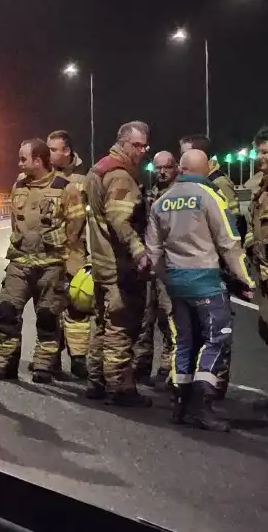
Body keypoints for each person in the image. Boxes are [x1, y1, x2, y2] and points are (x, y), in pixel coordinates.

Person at [146, 149, 254, 431]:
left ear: (181, 169)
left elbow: (153, 252)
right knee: (216, 339)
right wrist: (246, 280)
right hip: (205, 280)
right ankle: (201, 405)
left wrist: (167, 278)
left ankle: (180, 405)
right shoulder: (210, 197)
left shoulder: (161, 202)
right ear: (205, 169)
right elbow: (229, 243)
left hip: (176, 282)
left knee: (184, 341)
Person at [0, 139, 86, 383]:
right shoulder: (18, 185)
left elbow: (76, 224)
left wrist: (61, 249)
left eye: (24, 158)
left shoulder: (65, 188)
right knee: (8, 311)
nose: (19, 163)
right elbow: (15, 221)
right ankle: (6, 363)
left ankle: (44, 366)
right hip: (20, 263)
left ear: (38, 161)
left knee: (47, 317)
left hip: (51, 265)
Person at [85, 121, 152, 406]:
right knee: (120, 327)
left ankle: (96, 380)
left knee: (101, 323)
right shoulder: (120, 176)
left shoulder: (98, 169)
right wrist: (139, 252)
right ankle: (119, 387)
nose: (142, 151)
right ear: (122, 143)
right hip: (118, 265)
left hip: (101, 263)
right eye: (137, 145)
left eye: (144, 146)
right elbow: (120, 221)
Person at [178, 134, 240, 397]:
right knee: (199, 334)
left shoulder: (217, 187)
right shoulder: (194, 189)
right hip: (199, 270)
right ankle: (194, 390)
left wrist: (237, 274)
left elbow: (233, 228)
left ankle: (213, 388)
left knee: (216, 334)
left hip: (214, 269)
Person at [47, 130, 92, 378]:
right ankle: (50, 360)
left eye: (53, 149)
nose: (49, 153)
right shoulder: (43, 178)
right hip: (49, 254)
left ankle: (79, 359)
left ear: (67, 152)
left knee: (77, 308)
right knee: (50, 308)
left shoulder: (84, 179)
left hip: (76, 252)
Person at [135, 150, 177, 386]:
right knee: (144, 319)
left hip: (170, 267)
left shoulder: (179, 196)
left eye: (167, 167)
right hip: (149, 266)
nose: (162, 172)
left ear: (176, 168)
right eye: (158, 168)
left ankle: (168, 369)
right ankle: (141, 368)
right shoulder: (148, 196)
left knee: (170, 319)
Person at [243, 126, 268, 409]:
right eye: (258, 151)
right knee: (266, 328)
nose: (259, 157)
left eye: (265, 151)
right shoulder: (261, 187)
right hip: (263, 272)